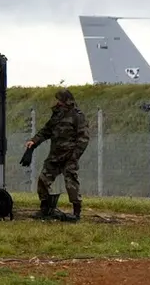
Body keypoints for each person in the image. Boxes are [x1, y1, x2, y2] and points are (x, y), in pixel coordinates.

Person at [24, 87, 90, 220]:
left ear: (66, 101)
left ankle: (76, 213)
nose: (57, 102)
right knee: (43, 180)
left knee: (71, 182)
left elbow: (83, 138)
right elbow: (46, 130)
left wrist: (74, 156)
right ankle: (45, 209)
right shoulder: (57, 114)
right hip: (55, 156)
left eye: (60, 100)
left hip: (69, 156)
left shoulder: (77, 116)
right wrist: (34, 141)